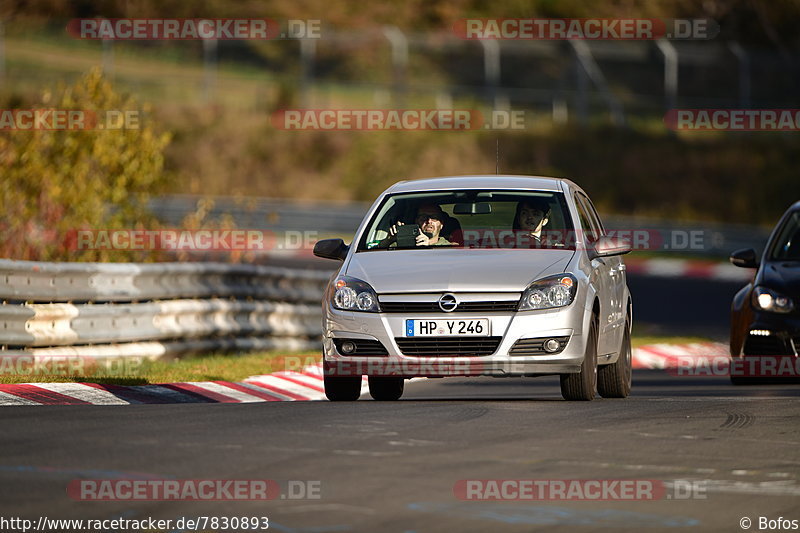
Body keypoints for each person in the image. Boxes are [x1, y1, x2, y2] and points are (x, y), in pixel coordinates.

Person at [382, 203, 454, 247]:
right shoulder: (402, 245)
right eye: (423, 217)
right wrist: (388, 241)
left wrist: (428, 246)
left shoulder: (449, 247)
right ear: (416, 221)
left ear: (441, 224)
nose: (429, 221)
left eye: (434, 217)